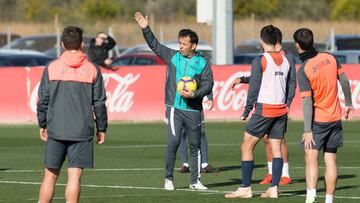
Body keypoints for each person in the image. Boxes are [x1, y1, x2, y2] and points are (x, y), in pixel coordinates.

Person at [134, 11, 214, 191]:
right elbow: (154, 45)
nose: (180, 47)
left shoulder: (203, 62)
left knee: (195, 146)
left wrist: (194, 95)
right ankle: (168, 179)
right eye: (179, 43)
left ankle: (195, 181)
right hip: (174, 108)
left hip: (193, 109)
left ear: (193, 45)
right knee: (173, 143)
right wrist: (146, 29)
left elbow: (209, 84)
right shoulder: (173, 56)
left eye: (184, 44)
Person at [37, 26, 108, 203]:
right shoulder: (92, 69)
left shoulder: (52, 67)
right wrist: (102, 128)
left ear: (62, 44)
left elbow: (43, 100)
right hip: (81, 130)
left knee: (50, 176)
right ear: (82, 44)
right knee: (74, 176)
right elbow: (99, 102)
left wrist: (42, 124)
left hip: (56, 128)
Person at [225, 25, 296, 199]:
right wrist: (287, 104)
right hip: (280, 110)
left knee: (246, 145)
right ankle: (273, 189)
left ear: (261, 40)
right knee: (276, 148)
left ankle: (245, 188)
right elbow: (290, 83)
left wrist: (247, 110)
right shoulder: (287, 59)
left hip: (265, 109)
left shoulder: (260, 60)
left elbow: (255, 87)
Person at [294, 28, 354, 203]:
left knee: (311, 157)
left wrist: (307, 129)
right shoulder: (330, 57)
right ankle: (329, 200)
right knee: (330, 159)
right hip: (335, 118)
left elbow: (306, 101)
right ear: (312, 42)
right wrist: (348, 104)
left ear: (297, 45)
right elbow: (344, 80)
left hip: (318, 121)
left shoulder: (303, 69)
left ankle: (310, 197)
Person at [178, 94, 216, 173]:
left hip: (196, 105)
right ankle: (185, 164)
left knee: (201, 132)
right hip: (180, 106)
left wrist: (210, 97)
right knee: (182, 133)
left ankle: (204, 164)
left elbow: (207, 82)